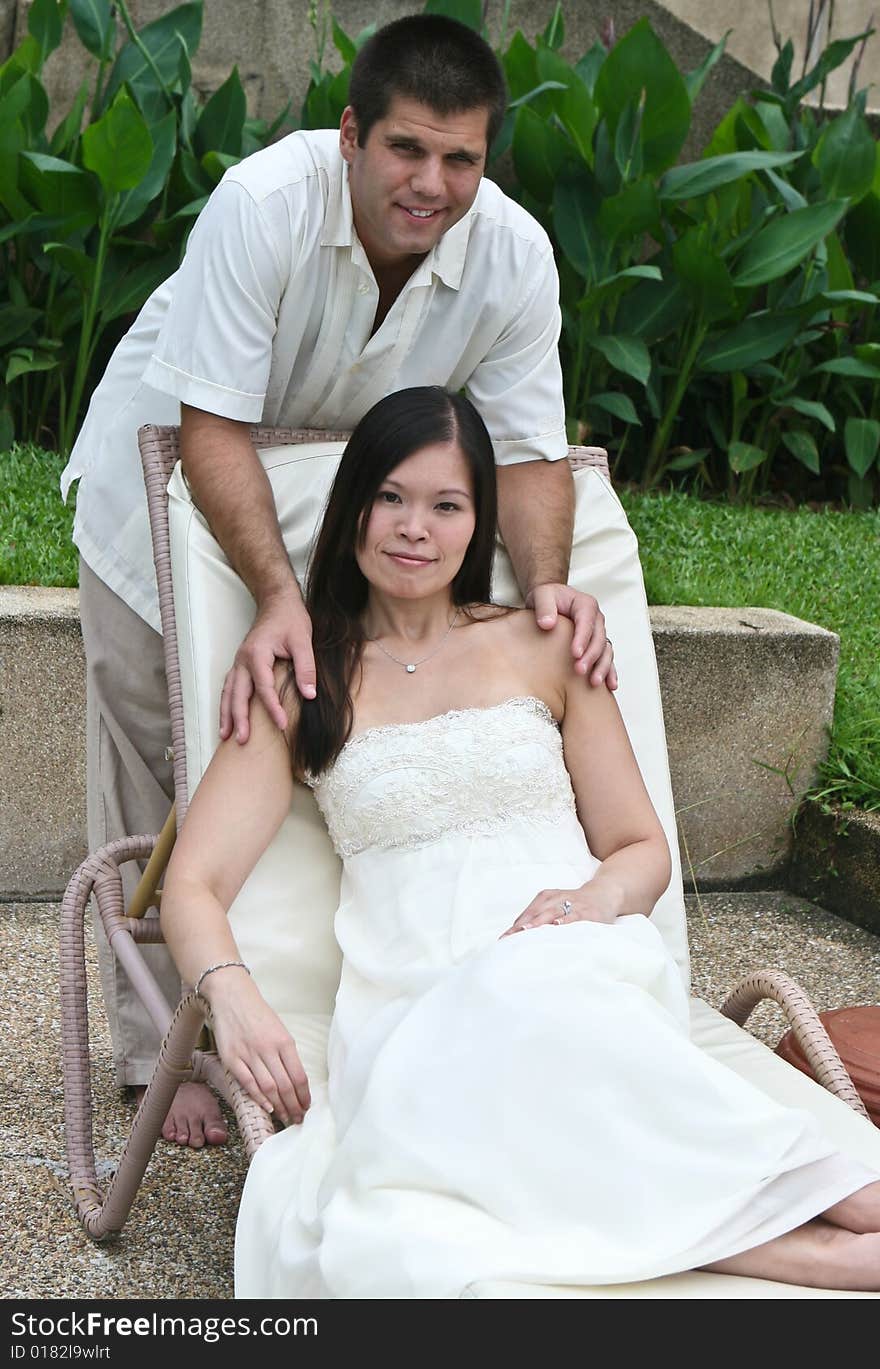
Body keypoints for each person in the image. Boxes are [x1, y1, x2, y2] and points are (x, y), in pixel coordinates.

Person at [160, 387, 880, 1298]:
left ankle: (842, 1198)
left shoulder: (544, 647)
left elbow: (639, 847)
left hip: (573, 955)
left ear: (479, 523)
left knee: (536, 980)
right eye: (390, 496)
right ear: (352, 511)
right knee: (498, 1010)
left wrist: (591, 903)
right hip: (415, 999)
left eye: (446, 504)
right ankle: (800, 1235)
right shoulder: (307, 678)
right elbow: (193, 884)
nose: (414, 527)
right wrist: (232, 995)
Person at [61, 13, 628, 1149]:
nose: (431, 183)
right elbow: (210, 431)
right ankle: (150, 1052)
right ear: (350, 136)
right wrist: (276, 599)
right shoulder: (264, 205)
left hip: (359, 491)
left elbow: (526, 455)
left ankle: (299, 982)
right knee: (155, 739)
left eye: (459, 159)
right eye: (406, 152)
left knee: (288, 739)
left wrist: (552, 584)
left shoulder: (512, 254)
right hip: (172, 472)